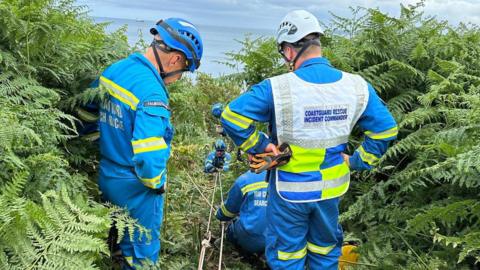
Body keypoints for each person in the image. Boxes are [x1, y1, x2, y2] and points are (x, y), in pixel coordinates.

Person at [220, 10, 398, 269]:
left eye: (284, 53)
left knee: (287, 258)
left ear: (290, 51)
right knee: (324, 253)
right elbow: (386, 130)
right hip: (331, 191)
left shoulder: (278, 88)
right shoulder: (357, 86)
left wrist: (260, 145)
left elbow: (231, 116)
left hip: (289, 192)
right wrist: (359, 161)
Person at [96, 18, 203, 268]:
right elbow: (149, 155)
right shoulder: (153, 94)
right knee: (142, 256)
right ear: (176, 59)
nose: (179, 78)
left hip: (107, 174)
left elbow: (88, 113)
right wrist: (157, 185)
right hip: (136, 188)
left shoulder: (116, 70)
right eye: (185, 70)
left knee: (117, 241)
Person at [216, 170, 268, 254]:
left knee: (232, 228)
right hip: (282, 242)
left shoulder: (245, 179)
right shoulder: (290, 178)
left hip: (251, 240)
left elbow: (228, 212)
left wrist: (219, 214)